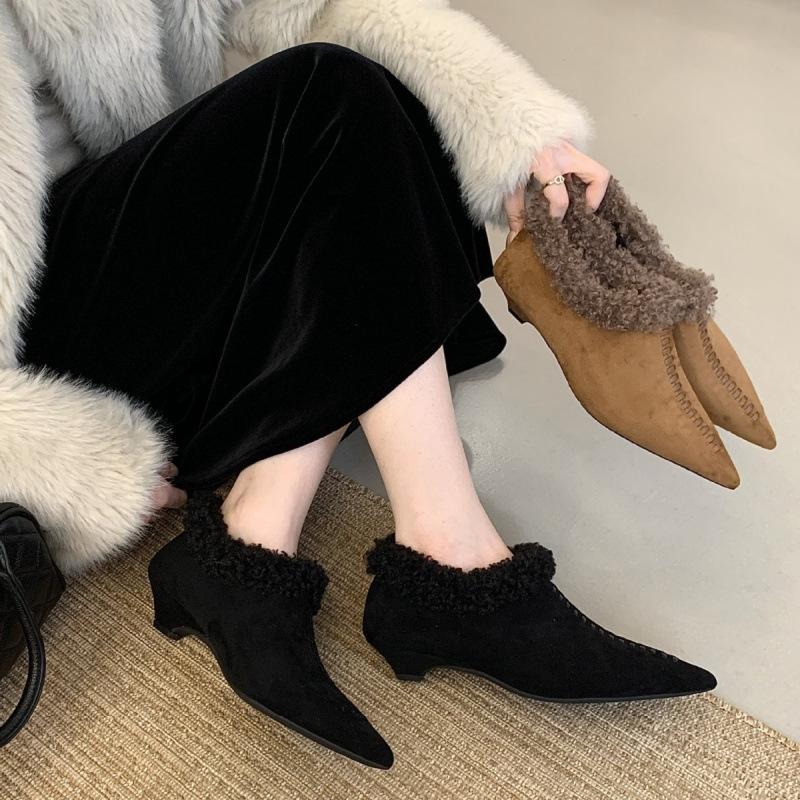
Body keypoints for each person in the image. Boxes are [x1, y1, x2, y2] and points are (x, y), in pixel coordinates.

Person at [0, 0, 715, 770]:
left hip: (141, 253)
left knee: (384, 96)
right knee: (328, 100)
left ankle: (255, 534)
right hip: (40, 349)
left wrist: (524, 143)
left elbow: (315, 8)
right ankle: (444, 563)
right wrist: (64, 462)